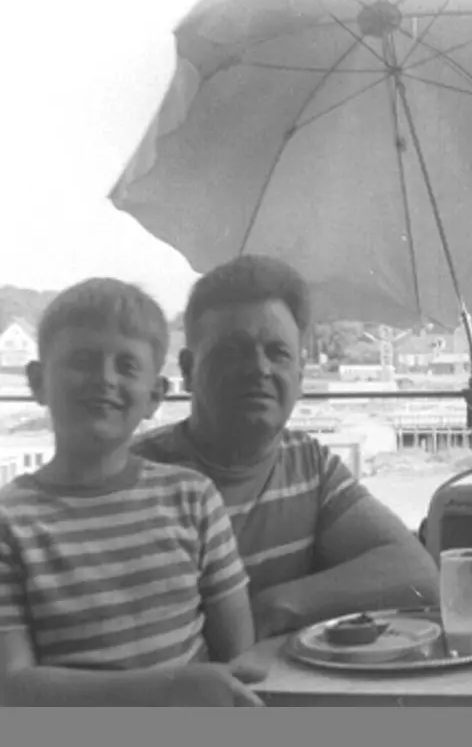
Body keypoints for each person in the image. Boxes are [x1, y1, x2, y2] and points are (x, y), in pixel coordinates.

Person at [133, 255, 439, 639]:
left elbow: (418, 574)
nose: (259, 369)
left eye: (277, 353)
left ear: (299, 374)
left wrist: (271, 608)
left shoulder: (308, 465)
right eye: (232, 352)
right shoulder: (132, 476)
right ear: (189, 370)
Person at [0, 279, 263, 706]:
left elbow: (240, 658)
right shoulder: (10, 522)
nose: (104, 379)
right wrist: (170, 692)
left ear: (155, 396)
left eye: (126, 365)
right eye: (83, 360)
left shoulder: (193, 499)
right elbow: (10, 691)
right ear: (37, 381)